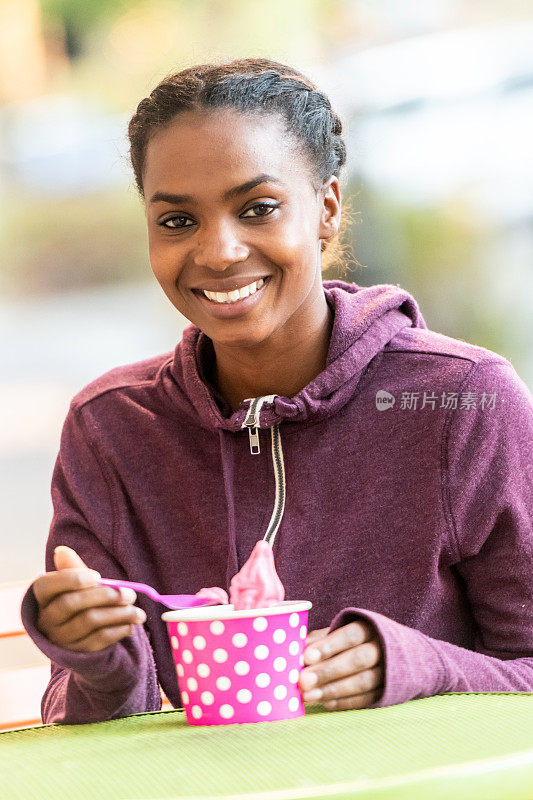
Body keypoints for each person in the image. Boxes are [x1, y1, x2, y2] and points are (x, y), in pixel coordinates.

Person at [21, 58, 532, 725]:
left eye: (258, 209)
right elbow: (86, 719)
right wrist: (96, 658)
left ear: (325, 209)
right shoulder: (111, 428)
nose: (219, 251)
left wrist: (418, 665)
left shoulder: (462, 398)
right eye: (177, 221)